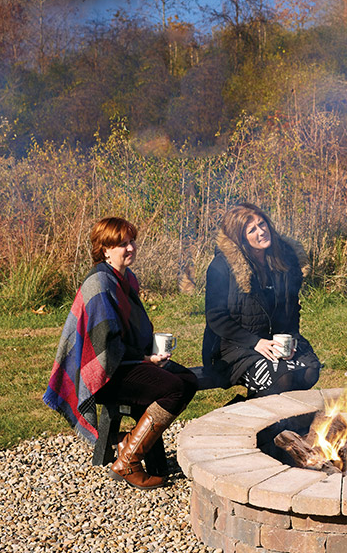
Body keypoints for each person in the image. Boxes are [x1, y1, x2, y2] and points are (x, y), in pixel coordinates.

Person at [44, 217, 198, 490]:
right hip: (103, 374)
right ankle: (129, 459)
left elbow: (130, 330)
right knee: (173, 388)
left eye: (131, 242)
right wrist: (145, 360)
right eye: (121, 244)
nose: (130, 248)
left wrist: (150, 353)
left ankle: (129, 445)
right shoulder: (100, 284)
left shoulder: (127, 279)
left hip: (124, 363)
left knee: (188, 380)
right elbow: (106, 344)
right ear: (104, 250)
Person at [202, 203, 320, 397]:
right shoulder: (222, 267)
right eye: (252, 230)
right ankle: (252, 420)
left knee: (308, 371)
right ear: (241, 239)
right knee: (282, 378)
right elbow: (216, 317)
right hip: (234, 346)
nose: (262, 231)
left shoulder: (283, 257)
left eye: (262, 224)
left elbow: (291, 307)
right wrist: (256, 342)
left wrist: (289, 342)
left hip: (275, 340)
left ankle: (279, 421)